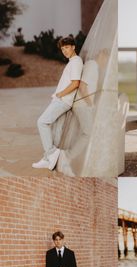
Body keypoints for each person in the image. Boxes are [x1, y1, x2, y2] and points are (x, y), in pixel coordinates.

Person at [32, 36, 83, 170]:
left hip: (63, 101)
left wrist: (60, 94)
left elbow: (75, 83)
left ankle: (51, 153)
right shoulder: (72, 62)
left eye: (67, 47)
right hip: (61, 100)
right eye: (62, 49)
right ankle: (47, 159)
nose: (64, 51)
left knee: (42, 122)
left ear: (73, 47)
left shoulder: (76, 61)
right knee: (55, 132)